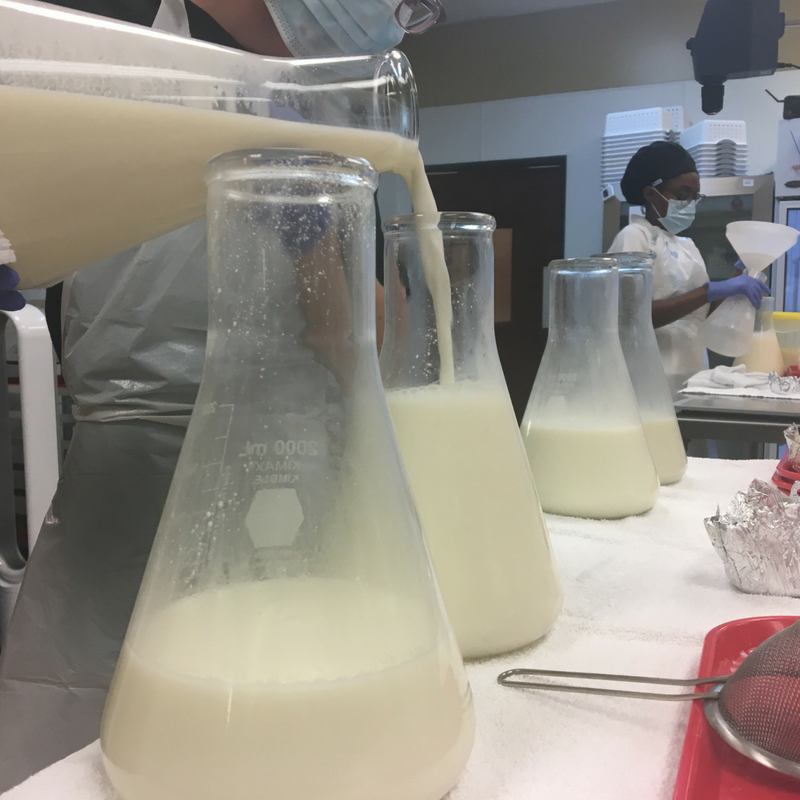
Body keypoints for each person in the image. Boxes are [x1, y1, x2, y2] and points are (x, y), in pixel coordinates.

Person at [0, 0, 444, 789]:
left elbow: (364, 336)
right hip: (147, 490)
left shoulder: (305, 107)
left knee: (306, 750)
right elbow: (349, 332)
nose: (393, 13)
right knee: (105, 755)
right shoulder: (107, 74)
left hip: (294, 484)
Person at [608, 141, 768, 394]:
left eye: (695, 196)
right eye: (683, 194)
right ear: (650, 194)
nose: (690, 203)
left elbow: (703, 314)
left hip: (692, 379)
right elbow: (633, 316)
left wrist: (741, 270)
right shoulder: (634, 237)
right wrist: (710, 290)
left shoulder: (687, 246)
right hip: (645, 382)